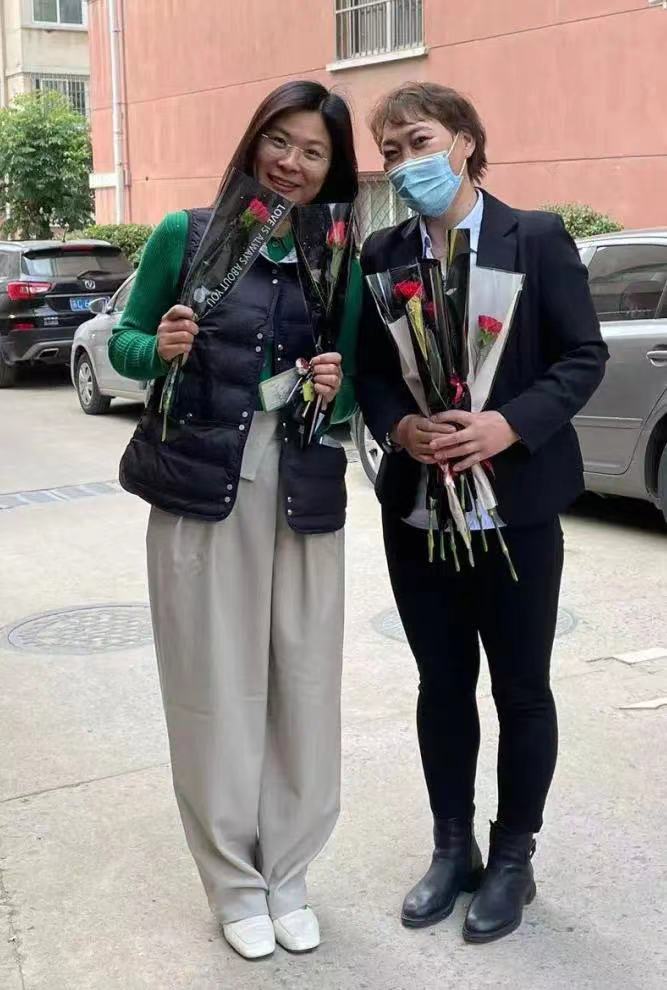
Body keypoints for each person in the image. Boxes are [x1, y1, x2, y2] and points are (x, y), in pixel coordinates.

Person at [108, 80, 361, 960]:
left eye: (313, 152)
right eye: (279, 141)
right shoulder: (185, 234)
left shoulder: (336, 256)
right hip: (200, 490)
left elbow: (351, 392)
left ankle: (288, 875)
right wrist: (158, 348)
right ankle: (232, 885)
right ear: (255, 142)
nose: (291, 163)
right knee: (213, 691)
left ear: (333, 170)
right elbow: (126, 343)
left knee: (304, 688)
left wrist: (334, 389)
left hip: (301, 494)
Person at [357, 83, 608, 944]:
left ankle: (511, 858)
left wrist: (508, 424)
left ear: (464, 141)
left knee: (520, 688)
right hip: (418, 512)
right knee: (440, 685)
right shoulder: (383, 252)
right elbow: (371, 371)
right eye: (389, 152)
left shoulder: (532, 237)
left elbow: (582, 356)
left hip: (517, 509)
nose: (404, 163)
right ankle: (451, 847)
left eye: (418, 141)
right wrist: (400, 427)